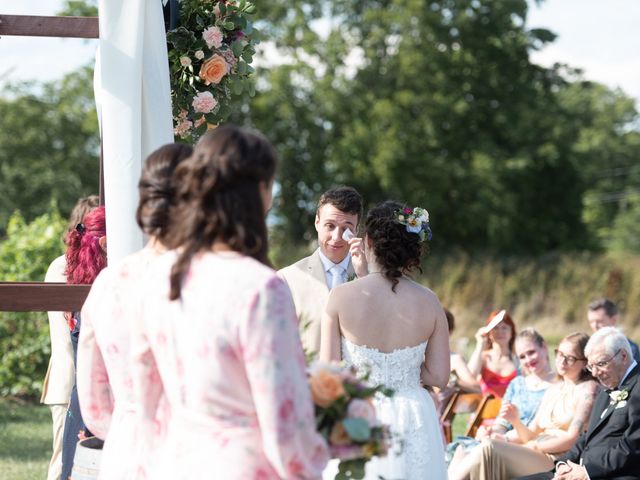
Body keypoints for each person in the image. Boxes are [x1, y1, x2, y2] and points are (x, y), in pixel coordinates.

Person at [130, 126, 329, 479]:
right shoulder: (261, 287)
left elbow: (144, 400)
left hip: (174, 462)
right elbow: (282, 418)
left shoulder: (158, 277)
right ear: (260, 192)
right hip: (244, 466)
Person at [76, 143, 192, 479]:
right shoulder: (213, 280)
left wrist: (129, 427)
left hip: (125, 454)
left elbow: (94, 408)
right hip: (195, 455)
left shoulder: (107, 284)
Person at [320, 201, 450, 479]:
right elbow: (439, 376)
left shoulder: (341, 297)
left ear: (367, 240)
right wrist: (408, 367)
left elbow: (329, 373)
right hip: (414, 415)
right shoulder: (429, 301)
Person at [448, 332, 599, 480]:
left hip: (556, 458)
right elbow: (531, 433)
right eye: (559, 354)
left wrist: (535, 446)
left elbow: (572, 438)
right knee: (480, 447)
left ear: (585, 362)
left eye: (570, 358)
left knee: (489, 449)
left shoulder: (589, 389)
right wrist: (515, 421)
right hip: (534, 450)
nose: (562, 361)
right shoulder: (554, 389)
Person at [515, 326, 640, 480]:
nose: (594, 373)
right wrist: (563, 465)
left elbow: (634, 443)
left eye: (601, 364)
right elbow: (587, 437)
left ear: (623, 356)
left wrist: (587, 472)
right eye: (591, 366)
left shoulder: (637, 386)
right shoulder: (607, 389)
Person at [40, 195, 99, 480]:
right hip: (69, 377)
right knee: (63, 462)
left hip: (79, 378)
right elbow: (66, 335)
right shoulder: (62, 267)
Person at [278, 186, 367, 355]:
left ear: (356, 230)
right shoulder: (286, 279)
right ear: (317, 223)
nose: (337, 237)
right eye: (330, 226)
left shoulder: (372, 276)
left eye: (346, 228)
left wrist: (364, 277)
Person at [60, 205, 107, 480]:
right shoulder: (104, 291)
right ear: (105, 243)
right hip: (102, 398)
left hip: (82, 397)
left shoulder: (77, 283)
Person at [467, 309, 518, 398]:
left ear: (511, 332)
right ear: (489, 332)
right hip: (486, 409)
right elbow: (469, 378)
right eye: (495, 328)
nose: (500, 332)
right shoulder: (483, 358)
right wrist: (480, 344)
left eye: (504, 328)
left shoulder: (519, 360)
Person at [587, 298, 640, 363]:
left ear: (614, 319)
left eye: (599, 321)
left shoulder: (630, 348)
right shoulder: (587, 347)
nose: (595, 326)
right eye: (591, 322)